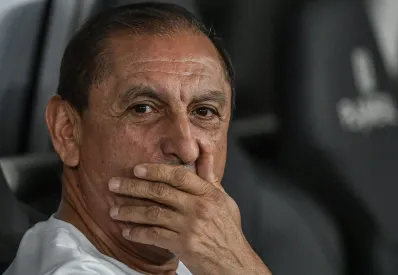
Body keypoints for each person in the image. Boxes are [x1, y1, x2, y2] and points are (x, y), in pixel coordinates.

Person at [5, 2, 270, 275]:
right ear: (68, 131)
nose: (186, 148)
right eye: (142, 109)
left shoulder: (193, 256)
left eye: (204, 112)